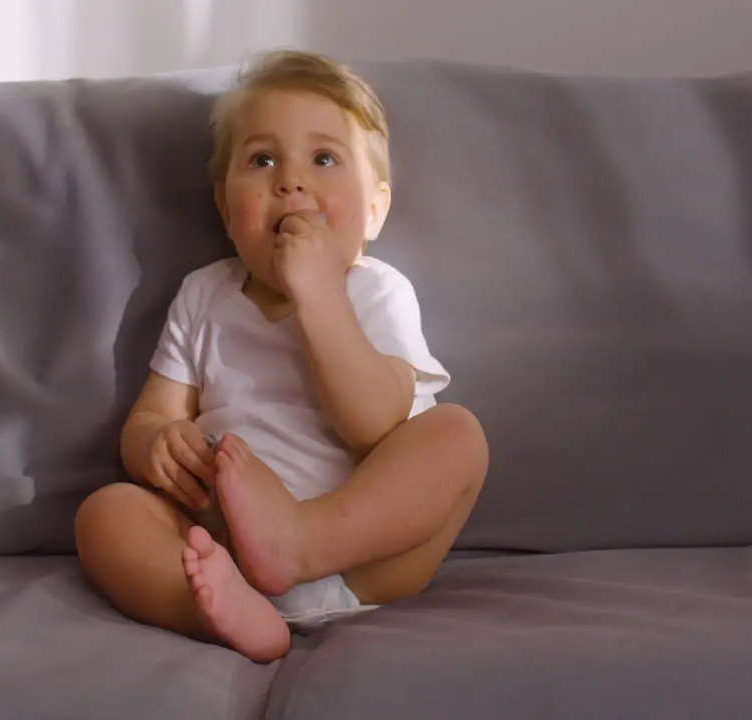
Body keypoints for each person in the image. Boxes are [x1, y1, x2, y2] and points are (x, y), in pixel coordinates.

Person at [75, 50, 488, 662]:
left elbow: (374, 422)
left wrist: (320, 293)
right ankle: (217, 612)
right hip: (222, 551)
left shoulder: (377, 291)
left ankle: (300, 541)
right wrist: (157, 445)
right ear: (225, 207)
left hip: (364, 564)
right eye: (263, 160)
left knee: (457, 437)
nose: (290, 181)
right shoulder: (203, 294)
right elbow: (151, 417)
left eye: (324, 158)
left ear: (374, 210)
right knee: (106, 515)